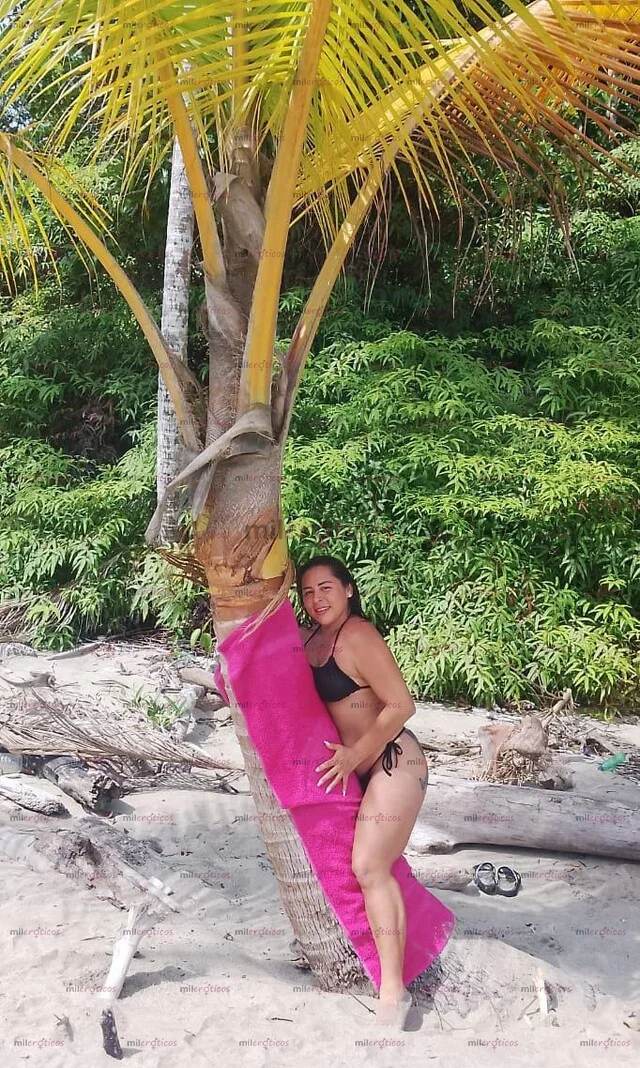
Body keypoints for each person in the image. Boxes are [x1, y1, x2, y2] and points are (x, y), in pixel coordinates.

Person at [295, 554, 428, 1029]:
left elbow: (401, 704)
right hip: (352, 768)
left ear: (348, 589)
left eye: (327, 588)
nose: (317, 599)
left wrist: (355, 756)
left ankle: (393, 991)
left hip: (394, 760)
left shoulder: (358, 636)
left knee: (370, 866)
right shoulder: (310, 639)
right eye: (308, 592)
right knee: (355, 865)